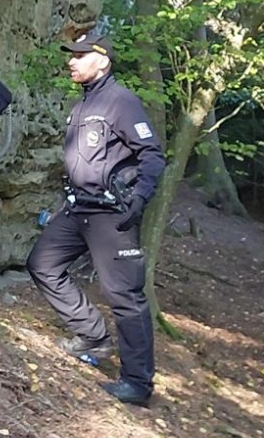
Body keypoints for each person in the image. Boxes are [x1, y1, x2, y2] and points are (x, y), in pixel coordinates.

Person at [26, 34, 167, 406]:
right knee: (42, 263)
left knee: (125, 296)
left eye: (80, 55)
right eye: (71, 56)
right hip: (78, 209)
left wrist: (140, 199)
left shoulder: (121, 101)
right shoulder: (83, 103)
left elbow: (151, 155)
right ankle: (91, 334)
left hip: (111, 215)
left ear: (102, 61)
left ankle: (137, 383)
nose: (72, 61)